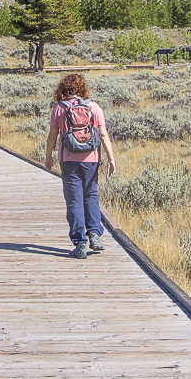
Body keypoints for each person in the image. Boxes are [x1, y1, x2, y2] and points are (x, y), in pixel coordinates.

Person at [44, 73, 116, 259]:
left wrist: (48, 157)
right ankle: (94, 234)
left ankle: (80, 243)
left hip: (68, 161)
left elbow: (53, 136)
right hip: (91, 159)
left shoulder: (59, 109)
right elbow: (104, 135)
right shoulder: (93, 107)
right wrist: (111, 159)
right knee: (91, 194)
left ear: (63, 89)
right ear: (83, 88)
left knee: (74, 200)